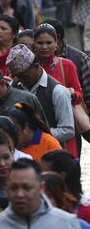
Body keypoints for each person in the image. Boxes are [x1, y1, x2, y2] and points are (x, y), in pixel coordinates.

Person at [6, 44, 75, 145]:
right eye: (18, 76)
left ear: (37, 66)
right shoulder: (14, 85)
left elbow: (67, 130)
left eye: (25, 76)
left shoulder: (58, 91)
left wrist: (36, 136)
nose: (21, 80)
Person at [33, 23, 83, 156]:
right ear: (34, 45)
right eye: (40, 43)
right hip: (37, 129)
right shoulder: (29, 67)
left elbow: (79, 94)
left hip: (64, 127)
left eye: (49, 42)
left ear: (56, 44)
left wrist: (71, 93)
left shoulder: (66, 65)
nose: (44, 47)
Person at [43, 18, 90, 116]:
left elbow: (88, 94)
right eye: (40, 42)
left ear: (57, 38)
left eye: (47, 42)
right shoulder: (37, 60)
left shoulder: (80, 59)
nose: (43, 47)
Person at [41, 150, 90, 224]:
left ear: (61, 176)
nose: (40, 178)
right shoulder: (40, 206)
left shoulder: (86, 212)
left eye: (45, 174)